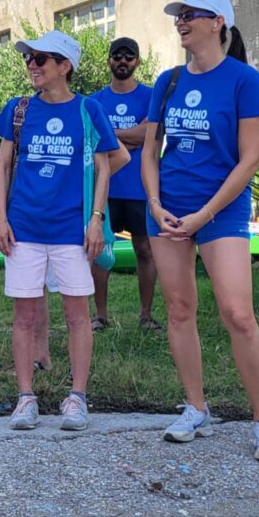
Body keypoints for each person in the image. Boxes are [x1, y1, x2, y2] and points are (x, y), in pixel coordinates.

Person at [140, 0, 259, 462]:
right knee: (179, 311)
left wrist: (205, 215)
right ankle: (196, 407)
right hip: (168, 210)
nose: (180, 22)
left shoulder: (244, 80)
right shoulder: (168, 80)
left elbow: (250, 160)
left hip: (221, 211)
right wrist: (156, 203)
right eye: (178, 16)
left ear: (217, 22)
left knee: (238, 314)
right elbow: (149, 150)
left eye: (189, 15)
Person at [0, 31, 118, 432]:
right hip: (24, 229)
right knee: (24, 315)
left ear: (65, 66)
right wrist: (0, 218)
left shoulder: (89, 110)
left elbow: (105, 166)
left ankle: (77, 398)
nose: (32, 65)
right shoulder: (19, 109)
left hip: (72, 232)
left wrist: (96, 218)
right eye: (29, 58)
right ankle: (25, 398)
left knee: (78, 315)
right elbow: (2, 166)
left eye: (41, 59)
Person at [89, 37, 160, 331]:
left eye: (128, 57)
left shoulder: (151, 96)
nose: (122, 61)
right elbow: (93, 142)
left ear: (137, 62)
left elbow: (151, 134)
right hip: (105, 190)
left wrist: (112, 136)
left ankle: (146, 315)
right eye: (116, 56)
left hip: (141, 188)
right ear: (108, 61)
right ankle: (100, 316)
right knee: (101, 252)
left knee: (145, 250)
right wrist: (131, 135)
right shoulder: (94, 101)